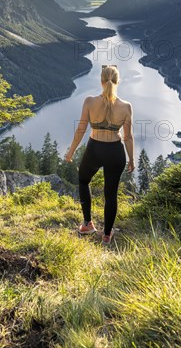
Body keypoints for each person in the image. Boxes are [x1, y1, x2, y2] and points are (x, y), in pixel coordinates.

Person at [64, 65, 135, 246]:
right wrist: (132, 159)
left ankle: (87, 224)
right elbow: (128, 137)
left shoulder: (89, 101)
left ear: (101, 81)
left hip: (95, 149)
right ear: (117, 81)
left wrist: (71, 151)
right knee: (111, 194)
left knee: (83, 180)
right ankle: (107, 234)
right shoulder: (126, 107)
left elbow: (81, 129)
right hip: (115, 151)